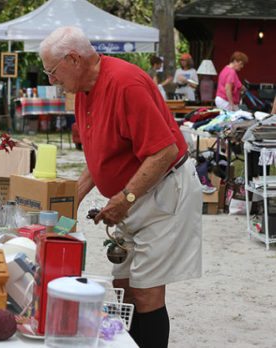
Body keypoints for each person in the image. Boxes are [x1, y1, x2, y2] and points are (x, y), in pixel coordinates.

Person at [39, 27, 202, 348]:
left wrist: (125, 198)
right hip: (135, 195)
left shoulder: (125, 84)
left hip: (163, 191)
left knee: (146, 289)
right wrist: (66, 205)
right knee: (125, 285)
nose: (51, 81)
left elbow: (165, 150)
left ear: (73, 59)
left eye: (52, 72)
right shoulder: (84, 91)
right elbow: (101, 157)